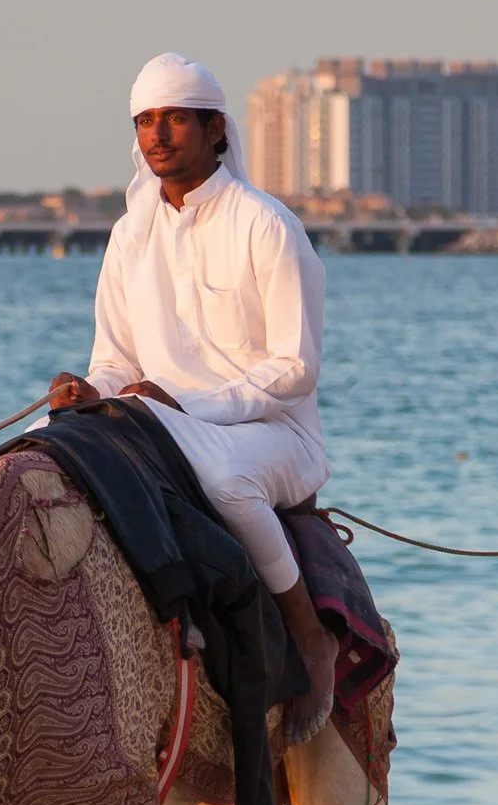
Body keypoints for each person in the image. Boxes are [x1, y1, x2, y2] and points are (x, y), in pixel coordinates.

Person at [47, 52, 340, 726]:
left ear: (216, 130)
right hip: (158, 424)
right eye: (145, 120)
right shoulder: (128, 236)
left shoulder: (264, 224)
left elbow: (296, 368)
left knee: (224, 481)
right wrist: (89, 389)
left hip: (272, 434)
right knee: (38, 451)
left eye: (175, 118)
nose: (157, 134)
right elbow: (117, 360)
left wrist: (191, 407)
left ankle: (308, 636)